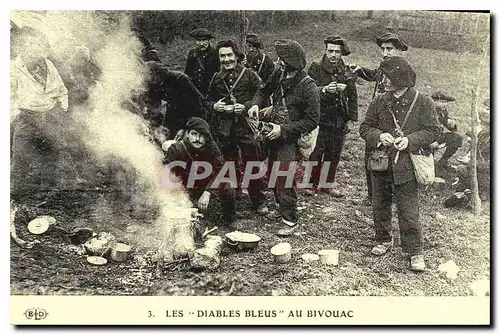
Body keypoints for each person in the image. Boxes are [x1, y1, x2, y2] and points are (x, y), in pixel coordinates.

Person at [359, 56, 441, 272]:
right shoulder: (380, 101)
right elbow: (365, 127)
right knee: (379, 204)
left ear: (400, 79)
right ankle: (383, 239)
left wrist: (410, 141)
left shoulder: (423, 102)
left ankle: (415, 251)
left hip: (406, 165)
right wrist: (379, 135)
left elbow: (434, 130)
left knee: (408, 210)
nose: (383, 80)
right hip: (381, 163)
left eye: (387, 77)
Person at [249, 39, 320, 236]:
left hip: (289, 136)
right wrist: (256, 104)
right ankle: (281, 208)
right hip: (273, 129)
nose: (278, 61)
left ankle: (290, 219)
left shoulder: (308, 86)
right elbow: (263, 90)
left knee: (283, 176)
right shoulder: (279, 73)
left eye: (282, 58)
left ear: (291, 61)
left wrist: (284, 130)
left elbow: (312, 121)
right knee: (272, 171)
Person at [206, 40, 268, 215]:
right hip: (225, 128)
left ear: (237, 56)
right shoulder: (216, 78)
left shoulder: (248, 74)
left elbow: (261, 92)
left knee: (253, 163)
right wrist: (214, 106)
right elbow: (207, 100)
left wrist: (247, 106)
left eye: (229, 55)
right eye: (222, 56)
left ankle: (258, 200)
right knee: (229, 163)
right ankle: (233, 197)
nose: (226, 59)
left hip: (245, 126)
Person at [10, 27, 69, 200]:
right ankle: (13, 194)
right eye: (29, 44)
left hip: (49, 116)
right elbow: (8, 95)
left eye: (37, 44)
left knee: (52, 153)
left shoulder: (48, 64)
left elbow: (61, 89)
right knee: (21, 156)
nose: (33, 47)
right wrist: (15, 116)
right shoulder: (13, 67)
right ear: (21, 45)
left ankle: (49, 193)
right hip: (26, 118)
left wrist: (62, 108)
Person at [351, 32, 409, 204]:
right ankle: (372, 195)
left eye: (389, 49)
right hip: (377, 115)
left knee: (390, 158)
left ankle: (388, 196)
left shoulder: (402, 69)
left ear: (399, 50)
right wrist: (360, 70)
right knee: (370, 154)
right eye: (383, 49)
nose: (385, 53)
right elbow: (375, 75)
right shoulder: (384, 66)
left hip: (393, 119)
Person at [306, 36, 358, 197]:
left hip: (340, 118)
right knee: (316, 151)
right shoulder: (316, 68)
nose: (333, 55)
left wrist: (351, 118)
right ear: (325, 51)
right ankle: (310, 184)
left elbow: (353, 95)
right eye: (330, 51)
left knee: (334, 152)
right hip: (320, 117)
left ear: (341, 53)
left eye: (337, 52)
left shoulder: (346, 69)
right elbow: (309, 91)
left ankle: (327, 184)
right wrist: (324, 89)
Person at [163, 117, 237, 227]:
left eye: (202, 135)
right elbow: (167, 176)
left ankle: (229, 221)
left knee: (228, 186)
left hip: (204, 185)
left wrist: (208, 192)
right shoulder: (177, 149)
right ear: (187, 134)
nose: (198, 138)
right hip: (184, 186)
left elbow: (223, 170)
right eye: (194, 134)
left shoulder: (211, 147)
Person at [143, 61, 206, 138]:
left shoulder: (180, 79)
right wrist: (150, 125)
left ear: (155, 73)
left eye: (148, 75)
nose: (147, 78)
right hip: (174, 113)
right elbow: (154, 105)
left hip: (195, 114)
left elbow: (192, 107)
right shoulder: (154, 83)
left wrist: (183, 128)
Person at [429, 91, 462, 171]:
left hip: (437, 137)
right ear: (434, 101)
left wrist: (452, 124)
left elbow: (449, 125)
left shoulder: (442, 110)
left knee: (457, 138)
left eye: (447, 102)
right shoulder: (428, 110)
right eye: (442, 102)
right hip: (427, 137)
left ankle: (443, 161)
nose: (445, 104)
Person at [184, 28, 219, 96]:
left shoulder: (215, 53)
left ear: (208, 40)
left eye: (204, 40)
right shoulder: (192, 53)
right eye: (199, 40)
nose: (201, 43)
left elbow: (219, 72)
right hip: (195, 91)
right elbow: (187, 73)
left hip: (211, 91)